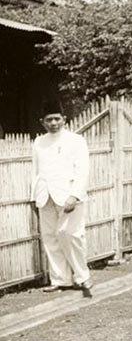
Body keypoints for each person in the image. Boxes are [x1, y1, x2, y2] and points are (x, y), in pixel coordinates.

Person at [31, 100, 93, 297]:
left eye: (57, 118)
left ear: (64, 119)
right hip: (45, 196)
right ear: (42, 122)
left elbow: (82, 170)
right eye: (49, 120)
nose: (53, 123)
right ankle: (60, 279)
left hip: (68, 195)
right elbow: (36, 171)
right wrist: (35, 196)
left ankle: (82, 277)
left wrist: (74, 195)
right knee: (50, 237)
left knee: (71, 234)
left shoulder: (76, 141)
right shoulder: (39, 142)